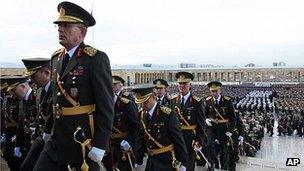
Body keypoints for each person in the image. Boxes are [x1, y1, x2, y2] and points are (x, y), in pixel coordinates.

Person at [34, 1, 114, 170]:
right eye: (59, 25)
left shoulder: (95, 59)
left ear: (82, 32)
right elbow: (54, 100)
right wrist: (48, 130)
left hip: (81, 140)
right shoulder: (56, 58)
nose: (60, 29)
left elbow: (106, 105)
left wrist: (100, 144)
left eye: (66, 25)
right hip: (57, 138)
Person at [133, 86, 188, 171]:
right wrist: (138, 160)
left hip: (166, 161)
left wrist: (184, 162)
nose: (142, 105)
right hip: (151, 161)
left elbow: (178, 139)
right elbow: (141, 139)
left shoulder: (168, 115)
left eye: (145, 102)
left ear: (154, 97)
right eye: (140, 103)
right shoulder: (141, 114)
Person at [20, 58, 53, 171]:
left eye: (34, 76)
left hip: (54, 139)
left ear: (47, 73)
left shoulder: (58, 89)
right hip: (41, 137)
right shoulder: (39, 91)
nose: (31, 80)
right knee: (26, 167)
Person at [102, 76, 140, 171]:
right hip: (109, 145)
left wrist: (129, 141)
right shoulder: (102, 106)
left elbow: (136, 126)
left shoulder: (127, 104)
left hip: (123, 144)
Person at [171, 72, 205, 171]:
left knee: (189, 166)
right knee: (175, 164)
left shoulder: (197, 101)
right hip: (175, 137)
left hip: (190, 138)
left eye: (184, 83)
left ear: (190, 85)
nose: (182, 86)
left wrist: (200, 141)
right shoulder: (173, 101)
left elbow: (201, 123)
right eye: (180, 83)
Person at [205, 81, 236, 171]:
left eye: (216, 91)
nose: (214, 93)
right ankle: (213, 164)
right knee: (209, 145)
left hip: (224, 128)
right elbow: (205, 113)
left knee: (224, 149)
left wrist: (230, 131)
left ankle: (224, 167)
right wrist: (206, 119)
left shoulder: (227, 100)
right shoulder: (207, 100)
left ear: (220, 90)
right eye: (212, 91)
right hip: (212, 127)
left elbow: (233, 117)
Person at [7, 77, 37, 170]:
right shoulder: (23, 100)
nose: (14, 95)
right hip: (26, 142)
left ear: (23, 87)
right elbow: (21, 123)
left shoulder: (36, 97)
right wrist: (17, 145)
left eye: (14, 91)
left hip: (35, 143)